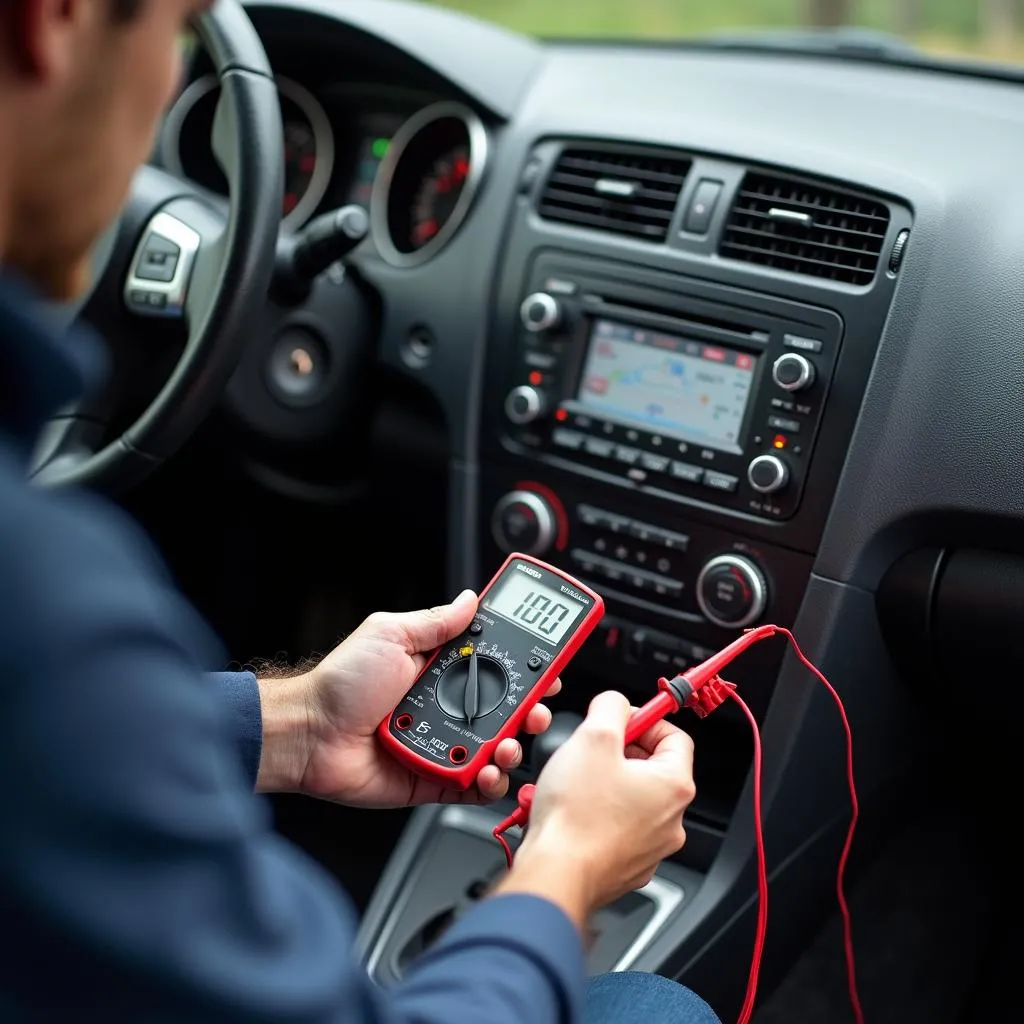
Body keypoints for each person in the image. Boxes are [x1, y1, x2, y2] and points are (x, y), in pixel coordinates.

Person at [0, 2, 720, 1022]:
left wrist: (291, 724)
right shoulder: (44, 595)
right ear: (54, 22)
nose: (168, 85)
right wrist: (564, 868)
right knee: (655, 1007)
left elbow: (47, 748)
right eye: (172, 33)